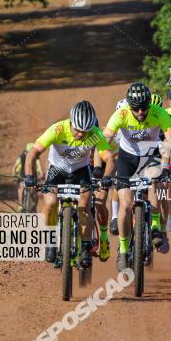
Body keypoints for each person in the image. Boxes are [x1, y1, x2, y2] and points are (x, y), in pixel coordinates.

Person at [23, 101, 116, 268]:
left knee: (84, 207)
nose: (80, 134)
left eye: (84, 131)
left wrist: (107, 176)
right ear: (71, 122)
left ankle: (86, 247)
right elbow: (33, 153)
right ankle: (50, 240)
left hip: (80, 170)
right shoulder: (57, 129)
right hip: (57, 170)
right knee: (50, 203)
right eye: (77, 130)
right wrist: (29, 176)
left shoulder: (95, 133)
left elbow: (108, 158)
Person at [103, 82, 171, 270]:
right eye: (136, 108)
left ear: (149, 105)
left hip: (150, 156)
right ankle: (122, 250)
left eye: (143, 108)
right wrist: (99, 163)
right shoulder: (120, 114)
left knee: (154, 182)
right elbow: (104, 139)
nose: (140, 112)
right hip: (126, 159)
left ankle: (155, 226)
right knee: (127, 204)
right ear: (129, 106)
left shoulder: (159, 113)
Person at [14, 142, 43, 212]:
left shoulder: (22, 156)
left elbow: (15, 167)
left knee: (21, 188)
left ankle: (21, 205)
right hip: (30, 177)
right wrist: (41, 174)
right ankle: (30, 206)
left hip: (23, 176)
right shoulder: (35, 157)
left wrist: (14, 175)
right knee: (34, 190)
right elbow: (39, 168)